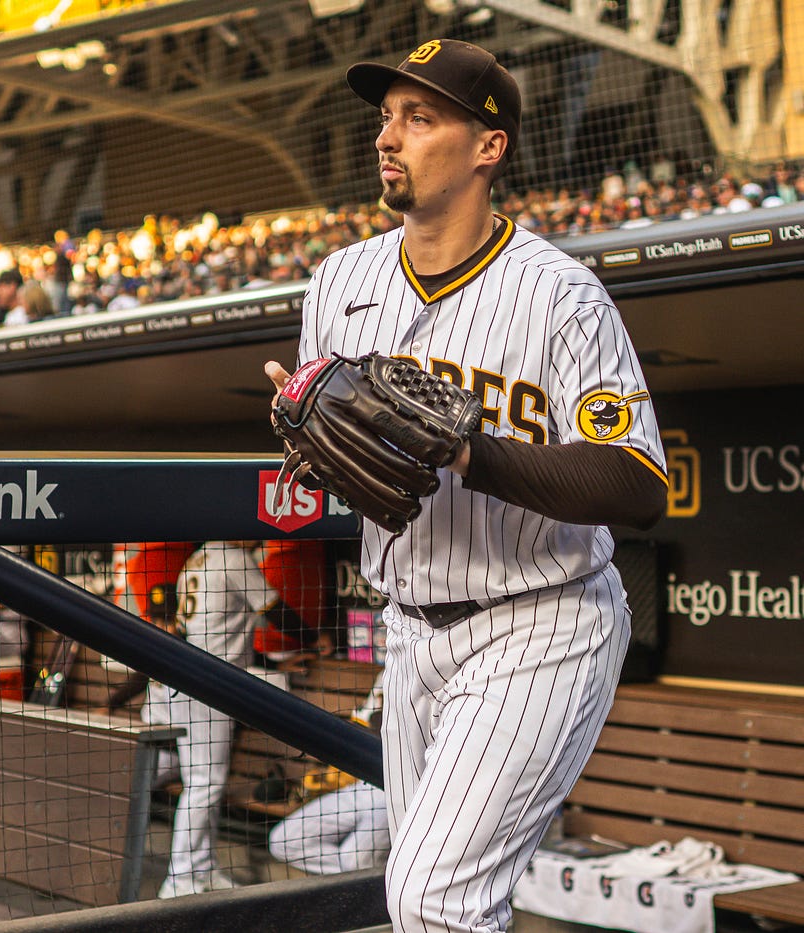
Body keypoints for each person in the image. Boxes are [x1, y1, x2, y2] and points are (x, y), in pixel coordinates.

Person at [264, 39, 667, 932]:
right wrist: (310, 432)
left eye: (420, 117)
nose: (389, 137)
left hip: (542, 622)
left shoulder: (561, 294)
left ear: (488, 147)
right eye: (385, 118)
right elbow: (355, 471)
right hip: (409, 634)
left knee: (433, 900)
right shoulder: (341, 281)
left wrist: (471, 453)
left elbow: (640, 486)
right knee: (432, 909)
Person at [145, 540, 315, 899]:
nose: (260, 535)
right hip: (206, 683)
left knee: (203, 783)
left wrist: (273, 665)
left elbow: (222, 634)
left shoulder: (197, 558)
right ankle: (180, 879)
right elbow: (276, 612)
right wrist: (316, 639)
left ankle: (201, 869)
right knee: (205, 784)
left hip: (192, 677)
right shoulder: (233, 557)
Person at [267, 678, 389, 876]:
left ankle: (366, 882)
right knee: (283, 841)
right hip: (365, 784)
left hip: (399, 793)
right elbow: (367, 725)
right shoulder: (385, 673)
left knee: (355, 861)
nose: (380, 644)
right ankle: (370, 882)